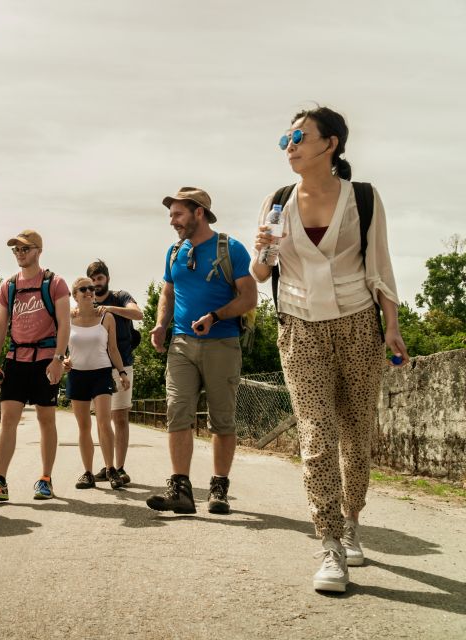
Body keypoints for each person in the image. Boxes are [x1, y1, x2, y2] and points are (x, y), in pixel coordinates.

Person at [250, 106, 409, 593]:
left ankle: (352, 519)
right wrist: (261, 250)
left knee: (356, 433)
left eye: (298, 136)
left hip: (358, 324)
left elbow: (379, 263)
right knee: (317, 434)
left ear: (331, 144)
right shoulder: (277, 201)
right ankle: (330, 544)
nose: (289, 145)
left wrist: (393, 326)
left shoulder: (363, 198)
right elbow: (259, 275)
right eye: (285, 139)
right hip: (299, 327)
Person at [147, 187, 257, 516]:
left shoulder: (230, 248)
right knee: (177, 412)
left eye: (178, 214)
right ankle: (180, 489)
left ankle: (219, 487)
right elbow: (168, 292)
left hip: (221, 343)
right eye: (171, 215)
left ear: (198, 213)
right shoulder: (174, 252)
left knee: (221, 420)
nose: (172, 221)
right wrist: (161, 325)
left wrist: (216, 316)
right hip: (181, 344)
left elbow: (248, 298)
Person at [0, 230, 70, 501]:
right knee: (8, 420)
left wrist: (57, 359)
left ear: (38, 250)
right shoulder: (9, 287)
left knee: (46, 419)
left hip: (45, 358)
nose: (19, 253)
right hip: (16, 359)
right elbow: (0, 324)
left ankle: (45, 479)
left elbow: (65, 323)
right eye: (16, 249)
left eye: (25, 248)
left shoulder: (56, 283)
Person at [66, 277, 130, 491]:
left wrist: (121, 372)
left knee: (104, 422)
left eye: (91, 289)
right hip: (77, 375)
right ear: (74, 295)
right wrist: (62, 361)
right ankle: (87, 472)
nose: (89, 292)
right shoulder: (66, 318)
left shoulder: (106, 317)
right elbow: (61, 349)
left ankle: (111, 469)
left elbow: (113, 349)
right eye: (83, 289)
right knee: (84, 426)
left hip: (101, 373)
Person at [86, 260, 143, 485]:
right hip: (95, 366)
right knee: (102, 419)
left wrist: (109, 309)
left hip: (122, 365)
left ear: (107, 279)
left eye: (99, 279)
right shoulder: (85, 303)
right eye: (92, 280)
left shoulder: (120, 297)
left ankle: (120, 467)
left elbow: (137, 314)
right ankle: (109, 466)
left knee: (120, 417)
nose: (96, 284)